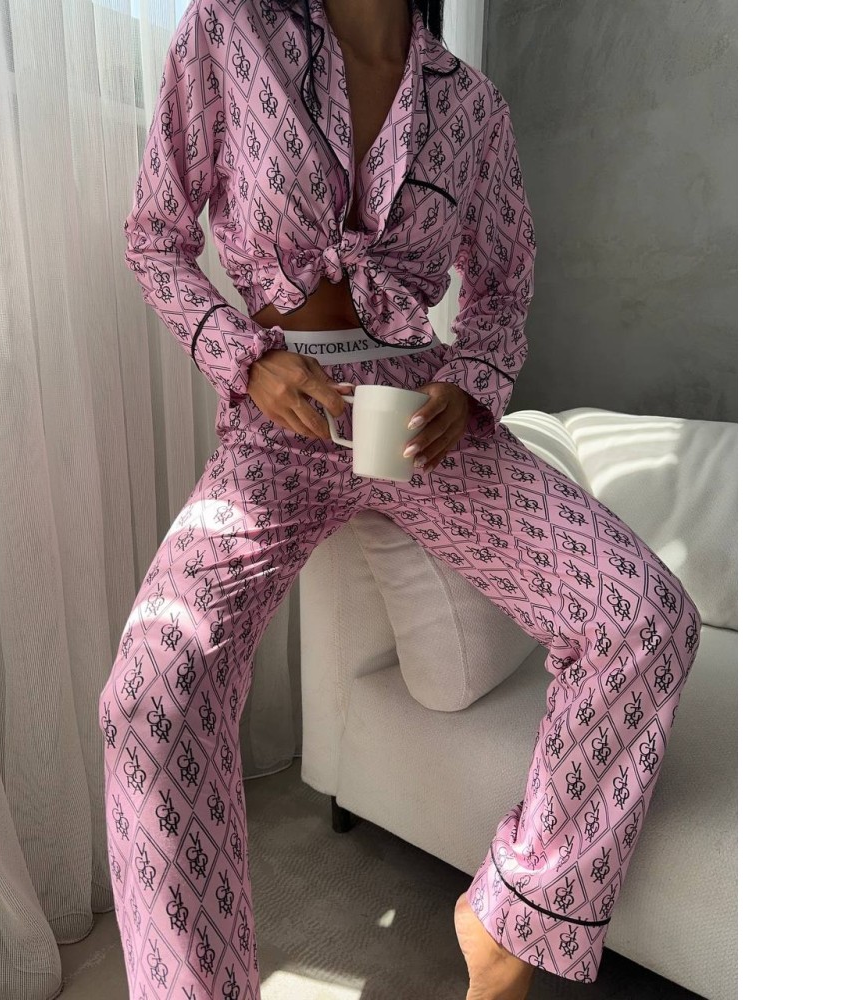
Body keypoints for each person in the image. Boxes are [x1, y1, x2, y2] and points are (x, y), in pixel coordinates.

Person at [97, 1, 704, 998]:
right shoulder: (229, 31)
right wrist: (245, 360)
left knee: (644, 617)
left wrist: (470, 383)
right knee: (153, 694)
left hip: (417, 415)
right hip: (282, 415)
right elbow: (156, 238)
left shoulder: (470, 106)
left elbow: (504, 277)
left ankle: (511, 918)